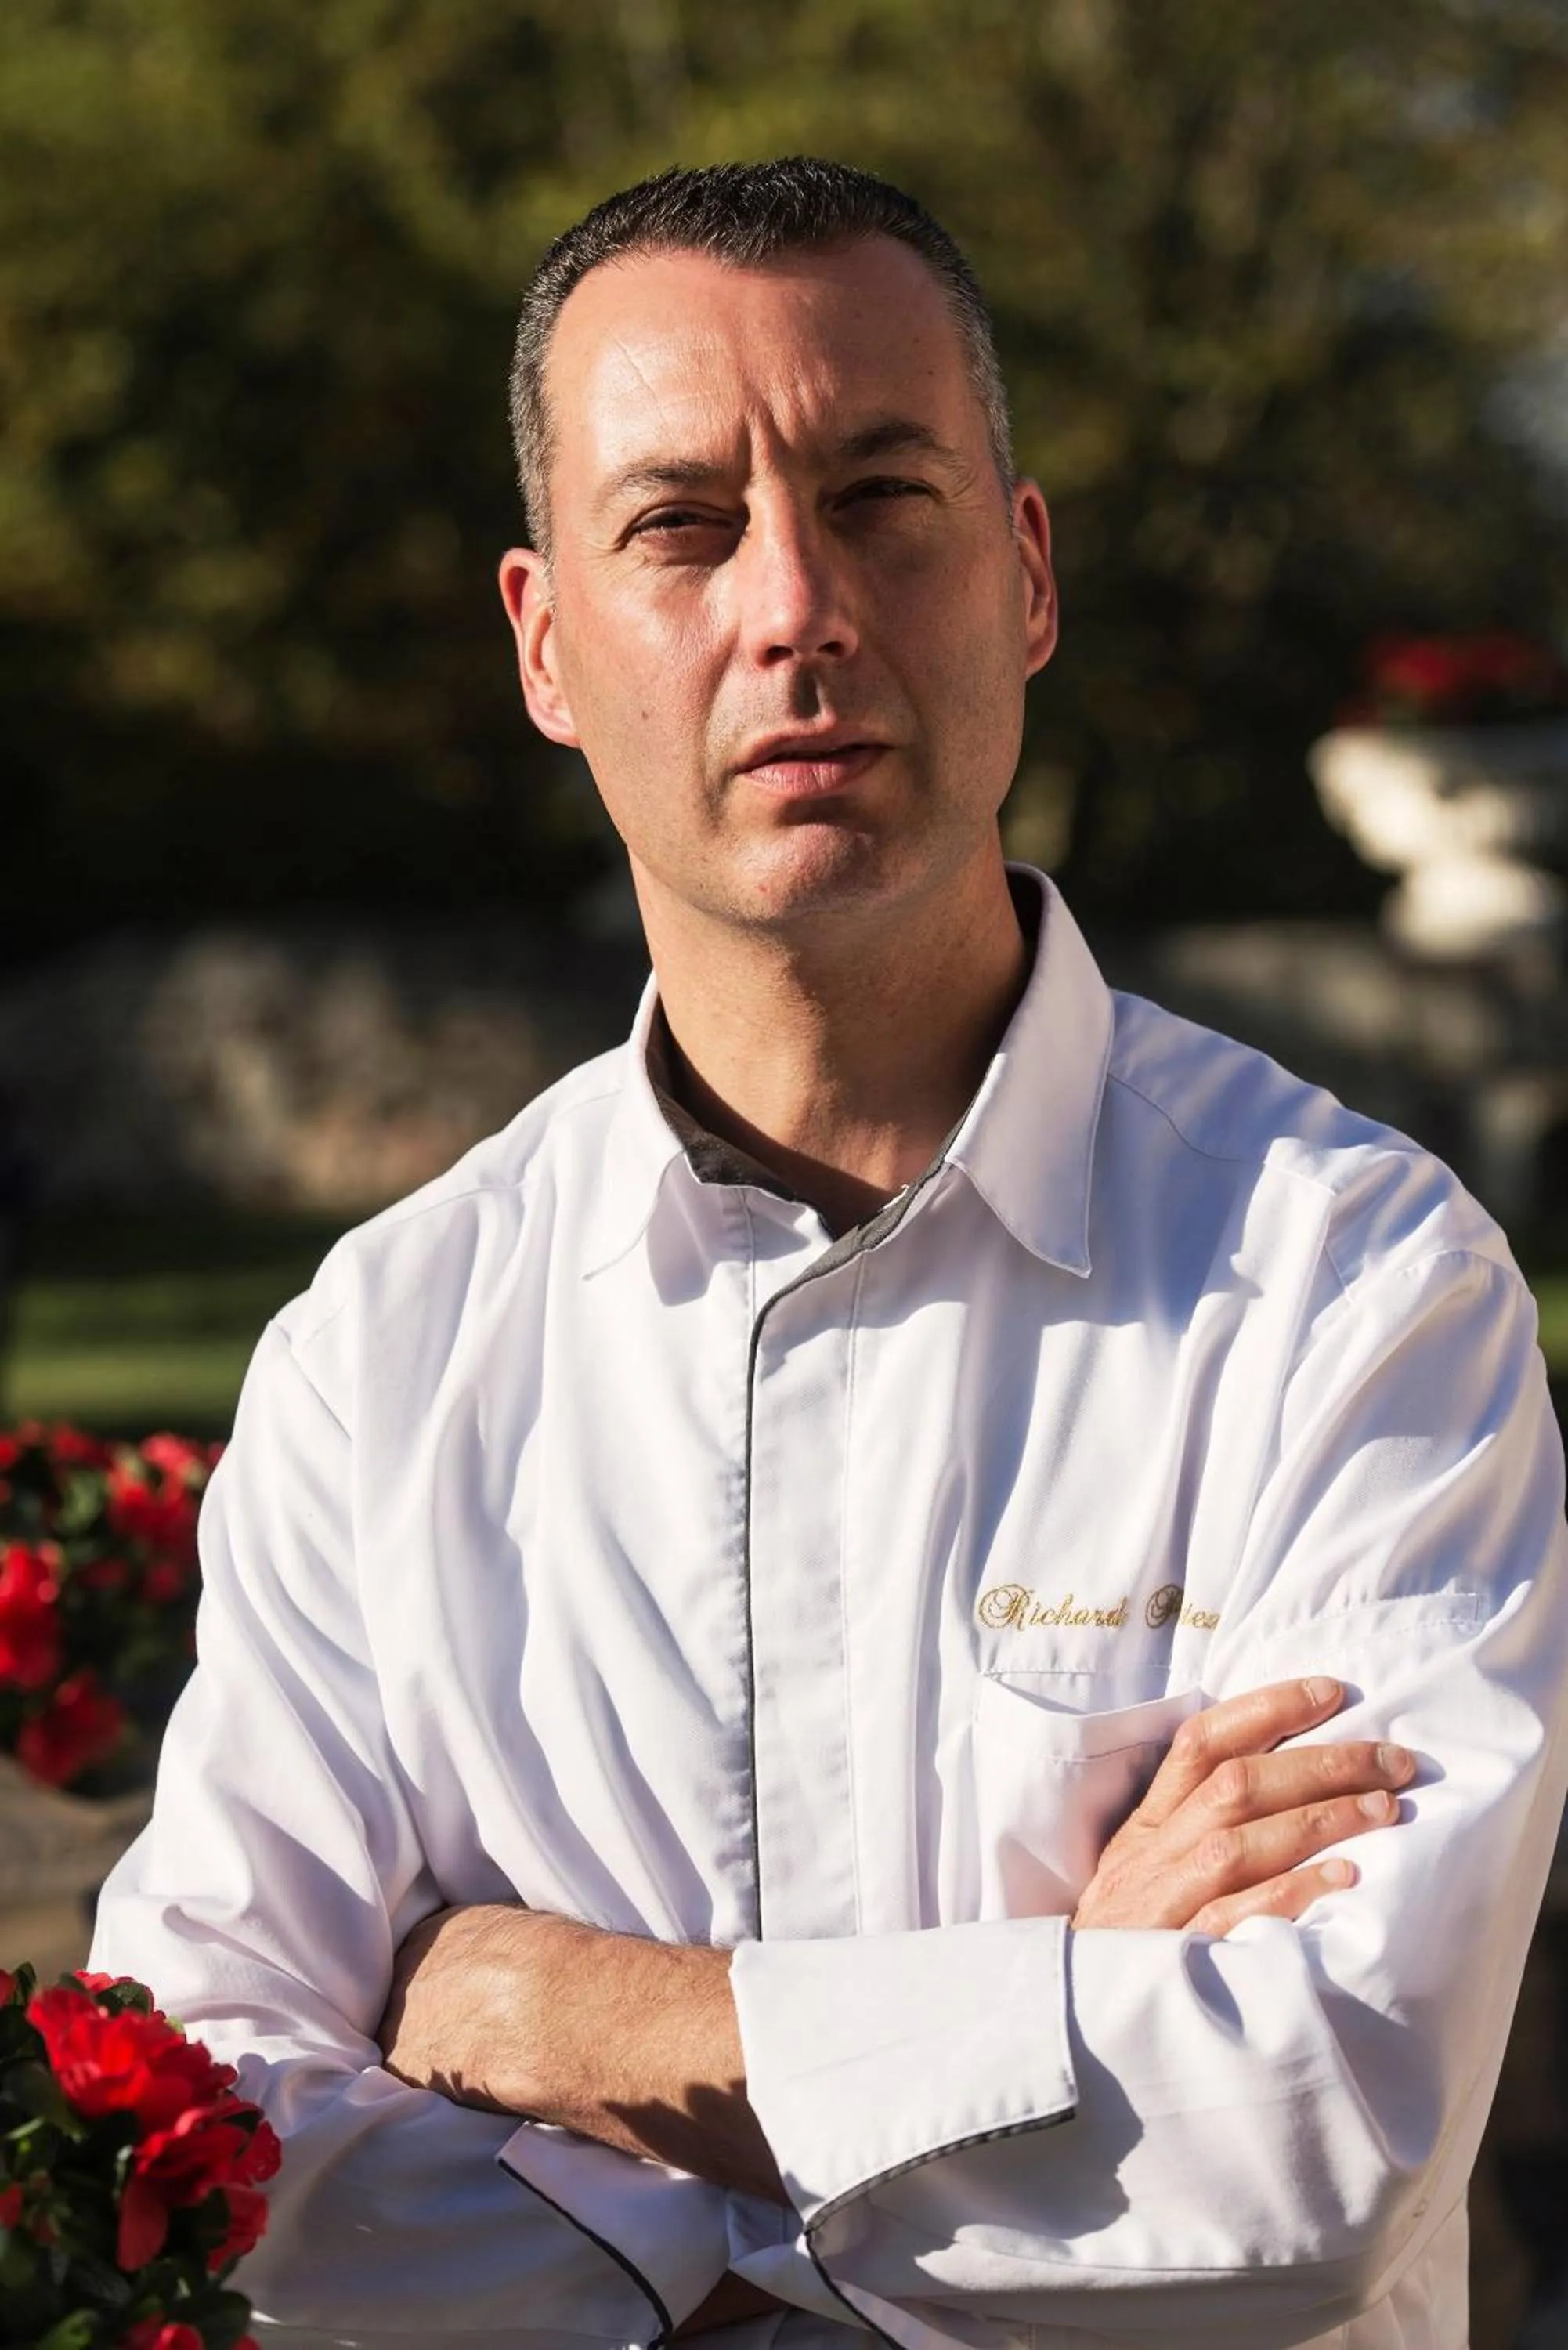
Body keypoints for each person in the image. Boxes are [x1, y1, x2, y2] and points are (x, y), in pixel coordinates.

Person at [92, 158, 1568, 2350]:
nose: (798, 604)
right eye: (680, 525)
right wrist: (1066, 2022)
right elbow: (217, 2155)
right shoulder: (383, 1360)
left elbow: (1309, 2151)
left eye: (885, 496)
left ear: (1031, 573)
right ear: (543, 644)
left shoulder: (1358, 1288)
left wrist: (552, 2015)